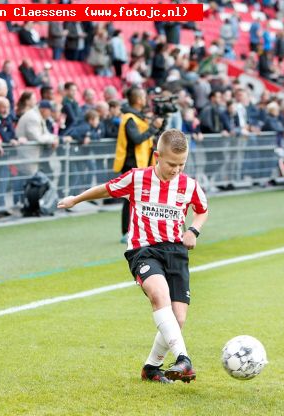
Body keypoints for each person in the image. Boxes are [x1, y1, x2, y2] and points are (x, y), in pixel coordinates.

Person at [58, 129, 207, 383]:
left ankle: (151, 368)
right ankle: (184, 359)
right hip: (144, 250)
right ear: (157, 156)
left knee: (178, 319)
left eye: (181, 164)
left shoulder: (189, 185)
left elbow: (202, 210)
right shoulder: (137, 179)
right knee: (159, 296)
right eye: (171, 163)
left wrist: (193, 230)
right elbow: (106, 189)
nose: (176, 169)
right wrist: (76, 199)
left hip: (176, 253)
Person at [113, 87, 164, 243]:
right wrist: (153, 128)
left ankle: (138, 230)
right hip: (130, 163)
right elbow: (136, 139)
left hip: (140, 162)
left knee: (140, 198)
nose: (145, 99)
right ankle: (126, 232)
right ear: (138, 99)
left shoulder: (137, 117)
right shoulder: (129, 118)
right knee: (129, 198)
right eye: (143, 96)